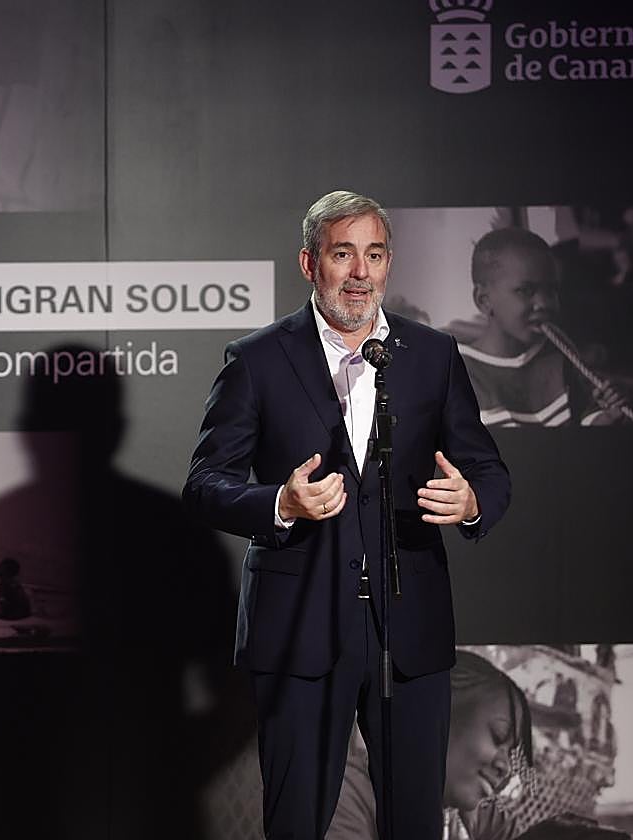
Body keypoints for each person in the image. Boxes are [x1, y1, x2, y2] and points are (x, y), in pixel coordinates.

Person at [183, 190, 511, 839]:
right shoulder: (257, 359)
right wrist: (280, 502)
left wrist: (471, 501)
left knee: (414, 822)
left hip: (408, 628)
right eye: (343, 254)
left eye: (375, 254)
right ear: (310, 263)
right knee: (298, 821)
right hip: (300, 625)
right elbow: (204, 484)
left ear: (388, 265)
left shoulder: (433, 355)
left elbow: (490, 472)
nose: (360, 272)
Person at [327, 650, 534, 840]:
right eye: (498, 736)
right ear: (438, 714)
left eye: (510, 751)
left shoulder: (471, 815)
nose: (505, 766)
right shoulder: (345, 798)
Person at [458, 228, 624, 427]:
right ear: (484, 300)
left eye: (552, 290)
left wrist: (605, 419)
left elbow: (584, 416)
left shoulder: (558, 348)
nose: (545, 303)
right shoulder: (458, 373)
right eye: (526, 290)